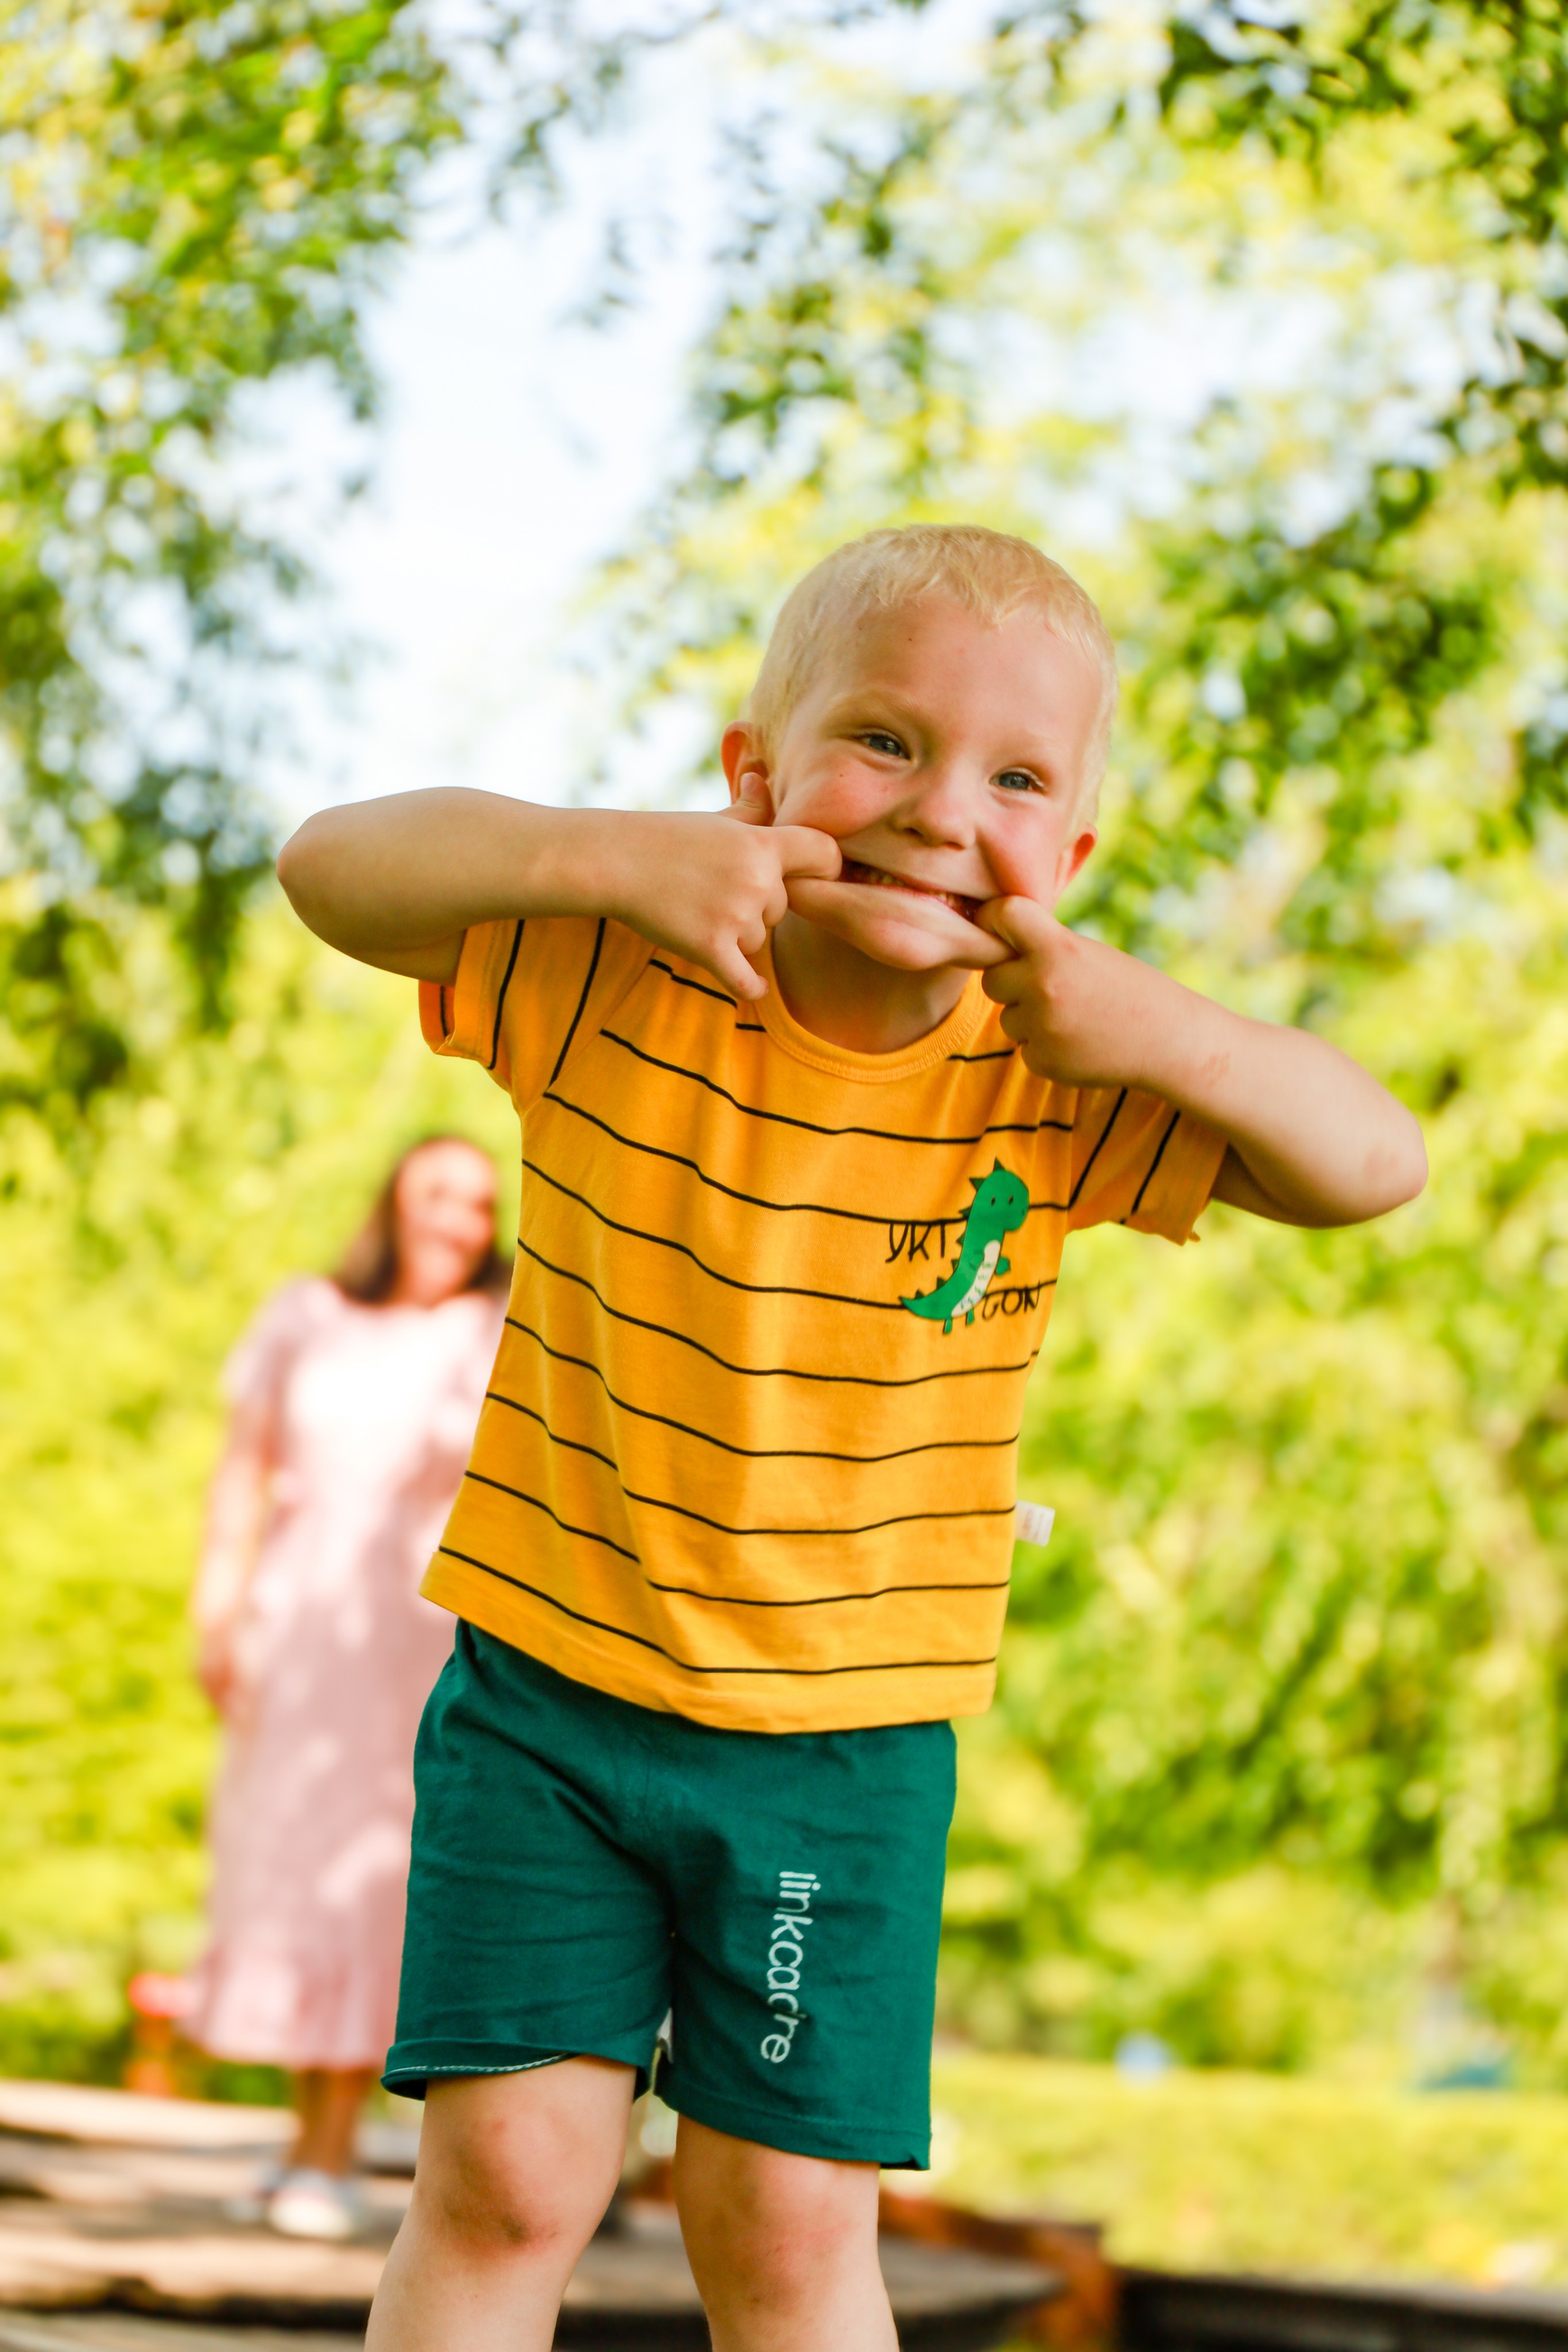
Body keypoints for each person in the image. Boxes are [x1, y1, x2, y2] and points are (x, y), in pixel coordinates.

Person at [276, 524, 1427, 2348]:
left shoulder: (1058, 1079)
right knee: (504, 2182)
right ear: (755, 776)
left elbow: (1375, 1163)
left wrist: (1163, 1023)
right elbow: (329, 866)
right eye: (883, 739)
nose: (937, 806)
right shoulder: (608, 970)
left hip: (837, 1745)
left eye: (1016, 776)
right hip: (551, 1695)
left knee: (788, 2219)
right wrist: (608, 856)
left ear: (1070, 851)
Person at [185, 1136, 508, 2241]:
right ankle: (299, 2145)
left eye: (480, 1203)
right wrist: (215, 1609)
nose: (459, 1221)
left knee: (385, 1879)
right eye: (438, 1195)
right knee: (283, 1866)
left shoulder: (500, 1328)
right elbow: (241, 1470)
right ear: (394, 1202)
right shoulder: (304, 1315)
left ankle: (336, 2153)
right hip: (304, 1628)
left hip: (422, 1637)